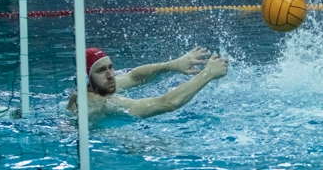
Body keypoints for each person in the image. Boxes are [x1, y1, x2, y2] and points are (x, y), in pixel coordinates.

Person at [67, 46, 228, 118]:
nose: (110, 75)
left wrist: (171, 65)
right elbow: (167, 104)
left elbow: (133, 77)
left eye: (111, 67)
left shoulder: (94, 88)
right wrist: (207, 74)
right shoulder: (101, 102)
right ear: (86, 78)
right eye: (101, 70)